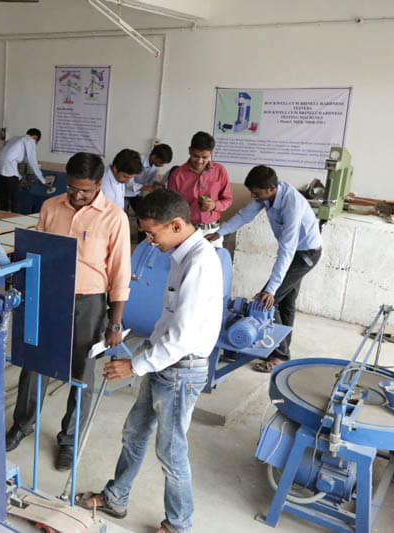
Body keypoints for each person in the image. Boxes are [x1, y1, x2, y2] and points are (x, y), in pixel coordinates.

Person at [75, 189, 223, 533]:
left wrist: (135, 366)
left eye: (152, 232)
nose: (149, 240)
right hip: (164, 363)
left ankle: (179, 524)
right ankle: (116, 497)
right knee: (135, 433)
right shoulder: (179, 255)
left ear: (175, 225)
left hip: (182, 370)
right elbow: (169, 319)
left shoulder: (200, 262)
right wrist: (143, 354)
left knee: (171, 452)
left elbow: (182, 336)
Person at [5, 152, 131, 471]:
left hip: (88, 302)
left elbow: (120, 272)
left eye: (84, 191)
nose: (76, 195)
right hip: (49, 296)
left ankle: (69, 439)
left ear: (99, 185)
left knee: (81, 374)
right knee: (34, 364)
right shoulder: (51, 206)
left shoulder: (114, 217)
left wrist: (114, 321)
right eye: (72, 187)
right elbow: (37, 250)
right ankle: (23, 424)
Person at [206, 165, 322, 373]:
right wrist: (220, 232)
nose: (253, 196)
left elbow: (287, 250)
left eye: (256, 193)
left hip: (305, 254)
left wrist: (271, 288)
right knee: (286, 303)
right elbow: (244, 215)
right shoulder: (266, 196)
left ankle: (274, 353)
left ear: (270, 188)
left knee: (266, 302)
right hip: (296, 252)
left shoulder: (291, 205)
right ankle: (281, 352)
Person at [167, 132, 231, 246]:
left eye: (205, 157)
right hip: (187, 231)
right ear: (190, 150)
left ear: (211, 153)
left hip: (212, 231)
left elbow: (228, 200)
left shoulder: (220, 171)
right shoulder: (177, 175)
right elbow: (171, 207)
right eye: (196, 156)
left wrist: (214, 205)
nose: (200, 161)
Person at [0, 128, 51, 212]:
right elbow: (33, 162)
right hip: (8, 170)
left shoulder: (15, 138)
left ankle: (2, 219)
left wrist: (20, 178)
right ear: (35, 137)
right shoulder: (30, 140)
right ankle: (14, 219)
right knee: (15, 199)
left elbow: (10, 159)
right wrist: (43, 181)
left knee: (3, 198)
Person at [124, 143, 174, 213]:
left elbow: (150, 182)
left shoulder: (155, 166)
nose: (162, 165)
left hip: (137, 194)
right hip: (125, 192)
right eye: (161, 162)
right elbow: (128, 184)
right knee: (122, 214)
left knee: (142, 214)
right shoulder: (137, 160)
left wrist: (156, 185)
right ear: (153, 157)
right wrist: (149, 188)